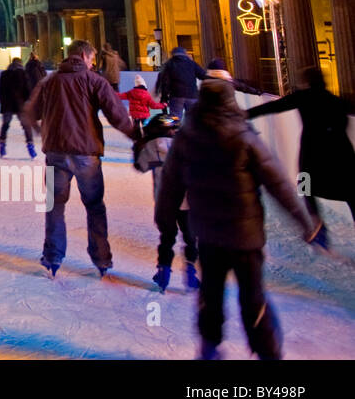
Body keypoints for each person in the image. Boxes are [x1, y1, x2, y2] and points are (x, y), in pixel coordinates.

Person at [156, 78, 326, 359]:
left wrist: (164, 223)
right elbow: (278, 184)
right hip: (245, 237)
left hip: (209, 235)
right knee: (252, 296)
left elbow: (170, 187)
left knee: (211, 293)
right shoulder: (244, 136)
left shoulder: (186, 138)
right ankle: (267, 351)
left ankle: (209, 345)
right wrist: (306, 223)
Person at [25, 39, 137, 278]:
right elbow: (117, 114)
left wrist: (41, 131)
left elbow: (30, 112)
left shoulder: (49, 81)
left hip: (56, 153)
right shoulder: (94, 81)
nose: (93, 63)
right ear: (85, 57)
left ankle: (53, 257)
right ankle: (102, 259)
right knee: (95, 206)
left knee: (54, 205)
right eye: (92, 59)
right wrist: (137, 136)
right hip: (86, 154)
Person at [246, 65, 355, 233]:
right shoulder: (337, 101)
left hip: (313, 155)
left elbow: (273, 107)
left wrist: (244, 114)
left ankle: (316, 223)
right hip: (342, 156)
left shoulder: (304, 97)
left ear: (307, 82)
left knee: (304, 186)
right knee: (351, 193)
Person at [132, 111, 198, 292]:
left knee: (167, 238)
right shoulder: (187, 145)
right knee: (190, 238)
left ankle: (163, 271)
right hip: (186, 202)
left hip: (164, 202)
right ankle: (191, 270)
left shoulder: (150, 146)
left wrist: (138, 147)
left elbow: (140, 166)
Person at [154, 46, 207, 120]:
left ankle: (175, 130)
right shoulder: (191, 63)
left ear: (173, 54)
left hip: (176, 95)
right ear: (184, 54)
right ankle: (191, 130)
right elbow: (203, 75)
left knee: (175, 118)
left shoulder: (169, 64)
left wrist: (164, 98)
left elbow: (165, 82)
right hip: (192, 95)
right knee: (193, 118)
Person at [0, 57, 35, 158]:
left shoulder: (4, 74)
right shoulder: (23, 74)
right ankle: (30, 146)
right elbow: (27, 90)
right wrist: (28, 102)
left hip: (7, 105)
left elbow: (0, 91)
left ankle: (2, 145)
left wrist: (3, 103)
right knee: (26, 126)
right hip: (20, 105)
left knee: (5, 125)